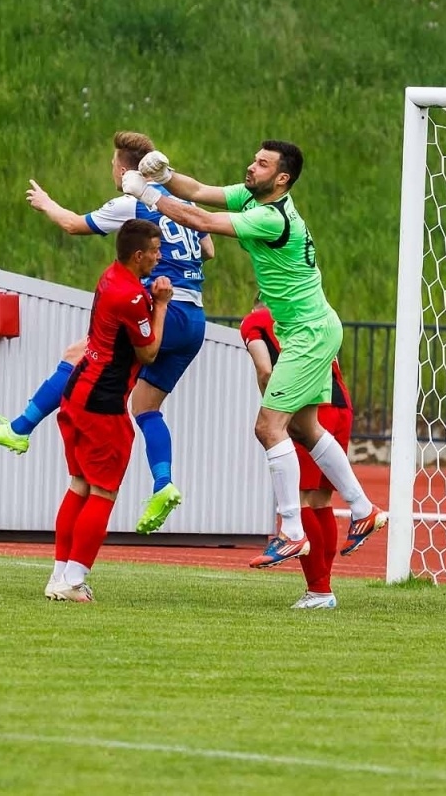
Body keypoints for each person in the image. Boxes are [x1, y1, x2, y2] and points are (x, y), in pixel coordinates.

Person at [121, 141, 385, 569]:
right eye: (254, 159)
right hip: (308, 328)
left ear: (281, 178)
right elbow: (200, 192)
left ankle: (291, 531)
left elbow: (200, 218)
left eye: (262, 164)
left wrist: (146, 192)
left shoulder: (269, 218)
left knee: (268, 427)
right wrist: (166, 176)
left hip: (308, 333)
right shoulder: (253, 197)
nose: (251, 166)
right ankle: (362, 508)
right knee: (304, 427)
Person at [0, 130, 212, 534]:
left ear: (123, 169)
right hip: (195, 319)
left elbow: (71, 225)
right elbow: (209, 250)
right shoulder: (181, 200)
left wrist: (46, 203)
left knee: (76, 354)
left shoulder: (130, 203)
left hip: (163, 308)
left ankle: (20, 429)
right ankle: (163, 483)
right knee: (147, 408)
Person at [46, 218, 172, 603]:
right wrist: (161, 305)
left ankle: (58, 576)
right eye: (155, 250)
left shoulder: (111, 277)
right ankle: (73, 580)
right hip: (104, 401)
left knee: (79, 486)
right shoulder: (132, 297)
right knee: (104, 492)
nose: (159, 256)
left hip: (78, 391)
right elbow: (148, 352)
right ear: (138, 255)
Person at [241, 302, 354, 609]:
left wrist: (274, 413)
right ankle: (323, 588)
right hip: (339, 405)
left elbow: (265, 370)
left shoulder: (255, 321)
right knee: (321, 500)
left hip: (307, 411)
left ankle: (319, 591)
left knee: (301, 499)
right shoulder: (309, 313)